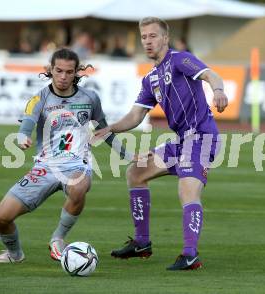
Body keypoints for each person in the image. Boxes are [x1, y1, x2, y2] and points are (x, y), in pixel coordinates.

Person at [94, 17, 228, 270]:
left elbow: (210, 74)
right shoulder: (150, 79)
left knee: (187, 191)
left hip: (201, 137)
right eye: (144, 37)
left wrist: (219, 90)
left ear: (165, 38)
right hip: (181, 142)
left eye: (153, 36)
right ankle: (142, 243)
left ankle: (190, 254)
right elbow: (135, 116)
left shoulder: (180, 60)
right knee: (136, 173)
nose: (148, 41)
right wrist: (110, 128)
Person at [0, 48, 129, 263]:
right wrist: (22, 137)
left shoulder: (90, 98)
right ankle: (14, 255)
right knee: (1, 218)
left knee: (79, 186)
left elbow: (104, 131)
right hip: (45, 167)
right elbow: (27, 124)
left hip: (76, 165)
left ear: (77, 73)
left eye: (69, 72)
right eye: (58, 70)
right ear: (50, 70)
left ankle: (58, 238)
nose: (63, 76)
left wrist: (127, 154)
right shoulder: (39, 98)